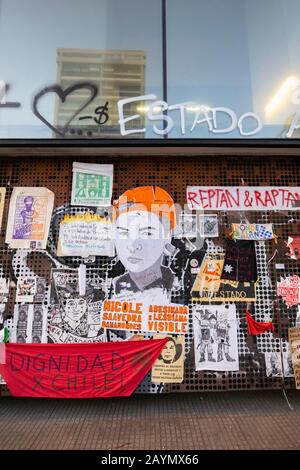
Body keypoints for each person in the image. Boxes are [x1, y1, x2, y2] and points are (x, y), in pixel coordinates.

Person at [112, 186, 176, 302]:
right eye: (123, 232)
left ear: (167, 236)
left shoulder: (177, 285)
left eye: (146, 233)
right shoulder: (118, 285)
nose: (132, 246)